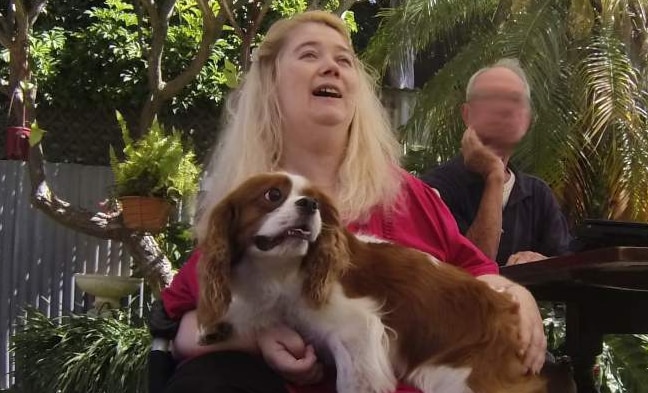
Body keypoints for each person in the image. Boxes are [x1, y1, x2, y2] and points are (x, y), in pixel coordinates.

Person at [151, 12, 546, 393]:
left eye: (344, 59)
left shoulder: (409, 196)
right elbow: (177, 328)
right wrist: (258, 336)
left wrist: (518, 295)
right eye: (309, 55)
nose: (331, 67)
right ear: (270, 83)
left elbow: (478, 272)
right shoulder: (249, 208)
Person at [422, 58, 571, 266]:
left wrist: (543, 262)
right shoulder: (435, 189)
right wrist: (494, 175)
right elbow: (473, 270)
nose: (502, 110)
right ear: (467, 114)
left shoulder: (538, 195)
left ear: (527, 119)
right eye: (490, 99)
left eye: (513, 100)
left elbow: (569, 272)